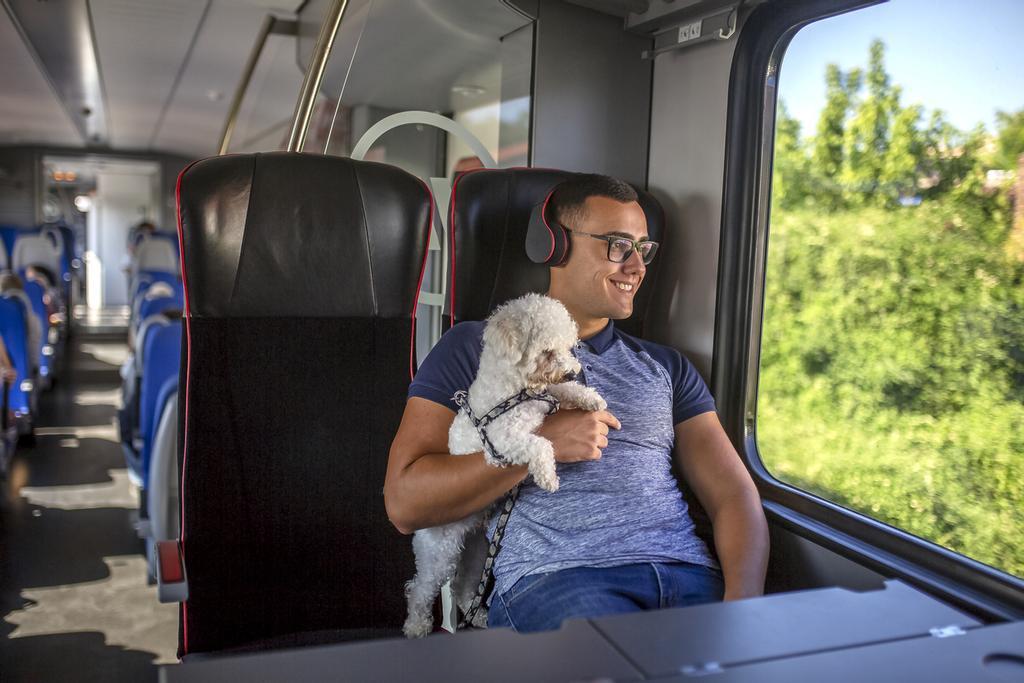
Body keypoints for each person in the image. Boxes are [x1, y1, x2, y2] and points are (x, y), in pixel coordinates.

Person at [385, 174, 769, 633]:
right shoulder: (479, 346)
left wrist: (744, 613)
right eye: (617, 245)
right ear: (555, 246)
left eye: (643, 249)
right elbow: (405, 503)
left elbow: (733, 496)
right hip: (560, 579)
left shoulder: (667, 367)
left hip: (688, 573)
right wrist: (539, 444)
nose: (637, 267)